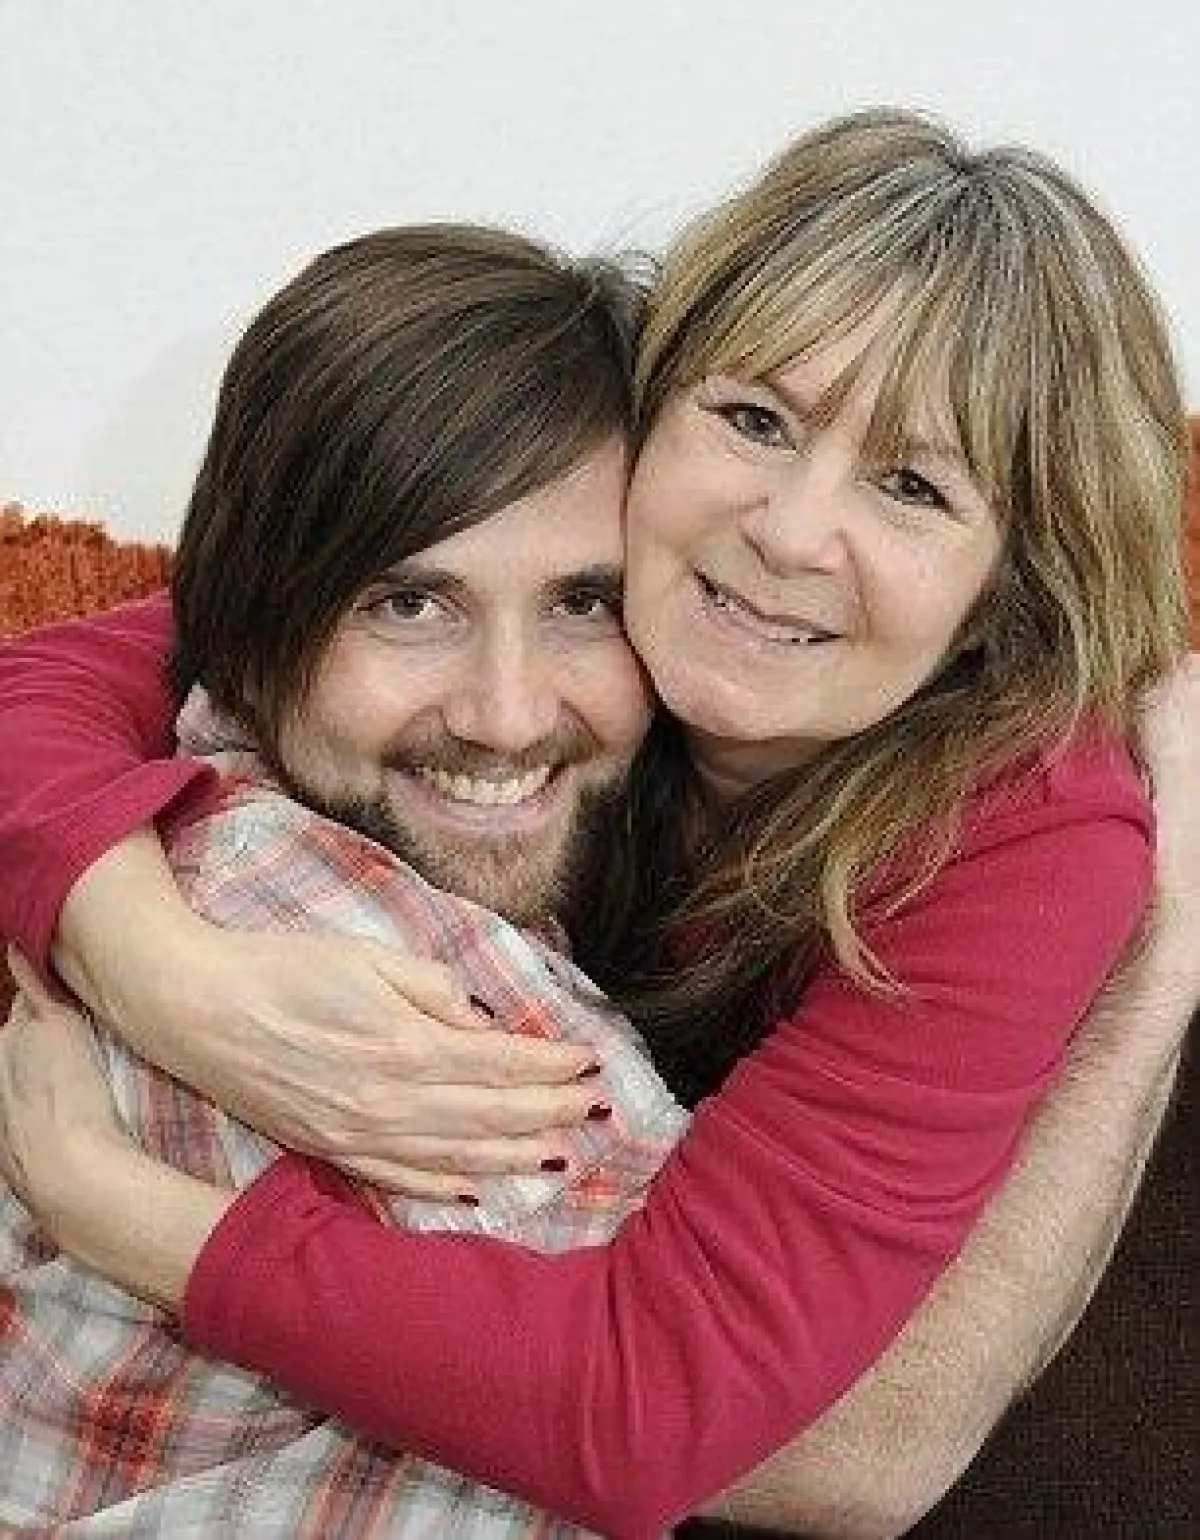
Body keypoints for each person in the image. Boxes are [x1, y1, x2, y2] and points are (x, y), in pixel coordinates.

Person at [0, 108, 1195, 1537]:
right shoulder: (613, 573)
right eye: (757, 419)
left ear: (1010, 585)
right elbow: (127, 656)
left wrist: (117, 1211)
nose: (791, 532)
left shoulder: (1025, 823)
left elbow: (797, 1447)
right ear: (650, 409)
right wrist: (150, 953)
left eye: (912, 487)